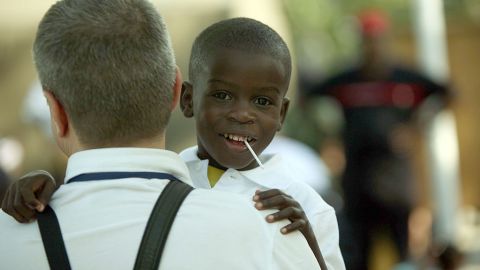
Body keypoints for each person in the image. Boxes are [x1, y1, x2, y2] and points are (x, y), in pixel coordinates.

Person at [2, 16, 343, 269]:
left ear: (282, 113)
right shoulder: (164, 176)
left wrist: (308, 242)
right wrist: (52, 193)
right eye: (223, 95)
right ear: (187, 99)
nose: (243, 115)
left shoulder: (306, 206)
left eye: (263, 102)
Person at [303, 10, 452, 270]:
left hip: (396, 183)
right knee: (358, 256)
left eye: (378, 39)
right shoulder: (346, 80)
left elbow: (447, 93)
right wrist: (330, 136)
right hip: (357, 183)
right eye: (367, 40)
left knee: (403, 255)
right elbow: (309, 96)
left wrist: (416, 127)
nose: (373, 46)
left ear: (387, 41)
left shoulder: (406, 78)